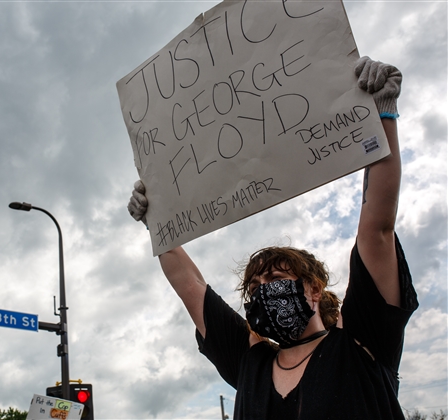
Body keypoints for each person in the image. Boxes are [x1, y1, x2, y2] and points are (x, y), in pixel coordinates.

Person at [127, 57, 418, 419]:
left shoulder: (360, 343)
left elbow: (377, 228)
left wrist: (383, 113)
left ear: (314, 289)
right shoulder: (250, 363)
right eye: (255, 286)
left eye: (276, 277)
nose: (264, 290)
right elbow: (190, 286)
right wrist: (156, 221)